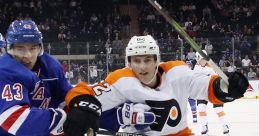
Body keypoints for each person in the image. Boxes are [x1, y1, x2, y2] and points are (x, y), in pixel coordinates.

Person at [64, 35, 249, 135]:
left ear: (156, 60)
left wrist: (228, 87)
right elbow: (82, 92)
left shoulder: (177, 72)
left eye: (147, 60)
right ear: (129, 62)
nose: (142, 67)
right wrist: (81, 108)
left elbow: (208, 87)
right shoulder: (121, 80)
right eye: (136, 61)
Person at [0, 20, 98, 136]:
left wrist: (81, 105)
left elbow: (65, 96)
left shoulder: (51, 66)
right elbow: (14, 118)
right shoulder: (5, 70)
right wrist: (63, 119)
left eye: (33, 48)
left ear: (40, 48)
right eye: (20, 48)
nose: (28, 56)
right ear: (10, 49)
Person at [193, 50, 230, 135]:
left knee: (218, 109)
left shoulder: (212, 67)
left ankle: (225, 126)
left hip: (214, 90)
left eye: (205, 59)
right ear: (197, 59)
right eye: (202, 59)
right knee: (201, 108)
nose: (204, 61)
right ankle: (204, 127)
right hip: (202, 91)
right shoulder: (193, 68)